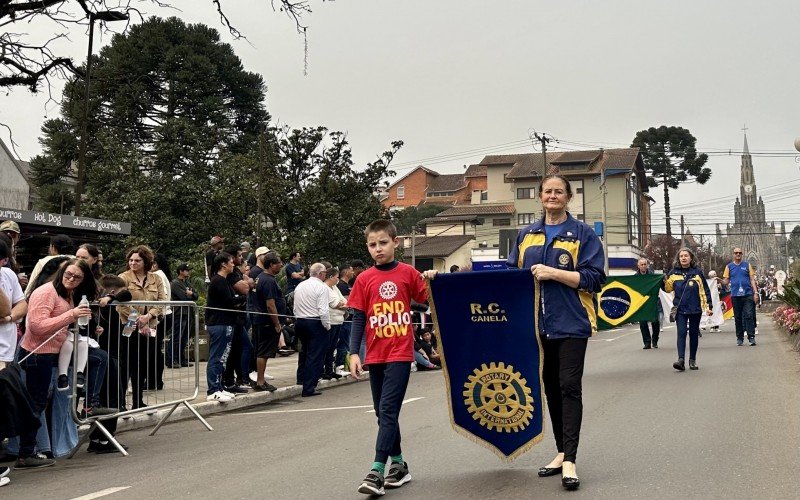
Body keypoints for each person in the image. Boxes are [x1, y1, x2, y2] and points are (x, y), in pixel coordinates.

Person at [506, 174, 605, 491]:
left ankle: (571, 460)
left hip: (573, 322)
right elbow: (511, 276)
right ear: (539, 196)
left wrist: (553, 273)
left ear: (568, 197)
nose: (552, 196)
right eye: (547, 191)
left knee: (568, 386)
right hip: (537, 326)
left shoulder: (582, 234)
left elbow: (594, 278)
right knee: (549, 387)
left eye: (558, 191)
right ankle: (561, 450)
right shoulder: (526, 235)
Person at [348, 219, 437, 495]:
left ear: (395, 243)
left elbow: (429, 299)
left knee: (388, 410)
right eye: (373, 244)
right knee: (382, 413)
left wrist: (434, 280)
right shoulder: (364, 279)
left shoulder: (408, 273)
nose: (378, 249)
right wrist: (353, 353)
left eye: (383, 243)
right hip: (374, 355)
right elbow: (358, 318)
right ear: (367, 247)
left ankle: (377, 470)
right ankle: (399, 464)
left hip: (400, 353)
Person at [18, 258, 96, 468]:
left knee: (39, 404)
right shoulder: (46, 292)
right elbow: (37, 327)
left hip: (51, 356)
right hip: (36, 356)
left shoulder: (67, 293)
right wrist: (71, 315)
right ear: (61, 272)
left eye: (77, 277)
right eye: (68, 274)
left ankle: (30, 450)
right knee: (35, 406)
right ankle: (26, 453)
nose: (71, 279)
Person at [118, 246, 166, 409]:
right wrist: (138, 318)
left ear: (146, 261)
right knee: (126, 364)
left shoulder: (155, 279)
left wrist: (149, 316)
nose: (133, 263)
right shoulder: (123, 277)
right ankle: (121, 402)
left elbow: (161, 300)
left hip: (149, 324)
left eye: (137, 260)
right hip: (129, 323)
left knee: (143, 362)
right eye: (131, 260)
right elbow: (120, 303)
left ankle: (138, 400)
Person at [205, 252, 246, 402]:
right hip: (219, 323)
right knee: (217, 357)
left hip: (226, 322)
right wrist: (242, 298)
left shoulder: (224, 280)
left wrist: (238, 299)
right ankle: (213, 389)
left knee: (223, 357)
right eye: (231, 262)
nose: (233, 264)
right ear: (223, 264)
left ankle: (220, 387)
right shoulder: (218, 281)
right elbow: (229, 301)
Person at [663, 247, 713, 371]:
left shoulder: (697, 272)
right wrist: (662, 281)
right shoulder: (673, 273)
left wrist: (709, 306)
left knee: (694, 334)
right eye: (681, 256)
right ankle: (681, 360)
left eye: (686, 256)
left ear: (691, 258)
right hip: (680, 309)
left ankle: (692, 360)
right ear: (678, 259)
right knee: (682, 333)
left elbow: (705, 290)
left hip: (695, 308)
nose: (683, 258)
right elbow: (667, 289)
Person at [293, 262, 331, 397]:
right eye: (325, 272)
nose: (326, 274)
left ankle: (301, 378)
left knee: (304, 352)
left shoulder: (300, 285)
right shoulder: (322, 287)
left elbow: (295, 306)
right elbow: (323, 309)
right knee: (315, 356)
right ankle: (309, 387)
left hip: (301, 320)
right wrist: (326, 325)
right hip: (315, 322)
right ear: (320, 274)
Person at [250, 252, 284, 392]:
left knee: (262, 351)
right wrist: (276, 324)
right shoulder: (268, 280)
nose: (281, 265)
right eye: (278, 263)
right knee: (263, 352)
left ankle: (260, 379)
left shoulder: (261, 277)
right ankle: (260, 381)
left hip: (261, 320)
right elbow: (270, 305)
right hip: (266, 322)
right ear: (271, 265)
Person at [722, 247, 758, 346]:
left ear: (742, 254)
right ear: (733, 254)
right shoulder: (729, 266)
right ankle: (740, 337)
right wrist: (718, 280)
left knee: (749, 315)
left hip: (747, 295)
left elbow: (752, 279)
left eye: (740, 253)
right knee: (738, 317)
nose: (738, 254)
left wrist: (755, 293)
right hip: (735, 296)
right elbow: (726, 281)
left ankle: (751, 337)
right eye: (736, 253)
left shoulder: (747, 265)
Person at [0, 241, 26, 371]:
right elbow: (4, 310)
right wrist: (8, 315)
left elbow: (22, 305)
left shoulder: (8, 274)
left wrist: (10, 318)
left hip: (6, 347)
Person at [25, 234, 75, 298]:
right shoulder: (77, 262)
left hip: (46, 297)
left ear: (53, 247)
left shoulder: (44, 261)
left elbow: (31, 284)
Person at [168, 263, 196, 368]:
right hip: (179, 313)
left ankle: (181, 359)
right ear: (181, 271)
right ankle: (171, 359)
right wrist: (190, 295)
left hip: (188, 313)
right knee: (176, 337)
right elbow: (183, 298)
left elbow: (195, 295)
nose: (188, 272)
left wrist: (191, 294)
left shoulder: (187, 282)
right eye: (186, 270)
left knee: (184, 338)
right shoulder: (175, 283)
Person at [323, 265, 347, 380]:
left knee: (333, 347)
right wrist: (342, 305)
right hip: (331, 321)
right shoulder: (325, 288)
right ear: (331, 277)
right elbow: (335, 304)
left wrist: (342, 304)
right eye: (337, 277)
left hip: (339, 321)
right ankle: (325, 370)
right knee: (327, 346)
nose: (338, 279)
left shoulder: (335, 288)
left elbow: (344, 301)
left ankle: (330, 369)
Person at [635, 258, 661, 349]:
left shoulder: (652, 276)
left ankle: (655, 340)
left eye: (644, 264)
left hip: (652, 302)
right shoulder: (635, 277)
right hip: (641, 303)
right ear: (638, 266)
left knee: (655, 322)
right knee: (642, 323)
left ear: (647, 265)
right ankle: (647, 342)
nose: (643, 266)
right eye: (641, 264)